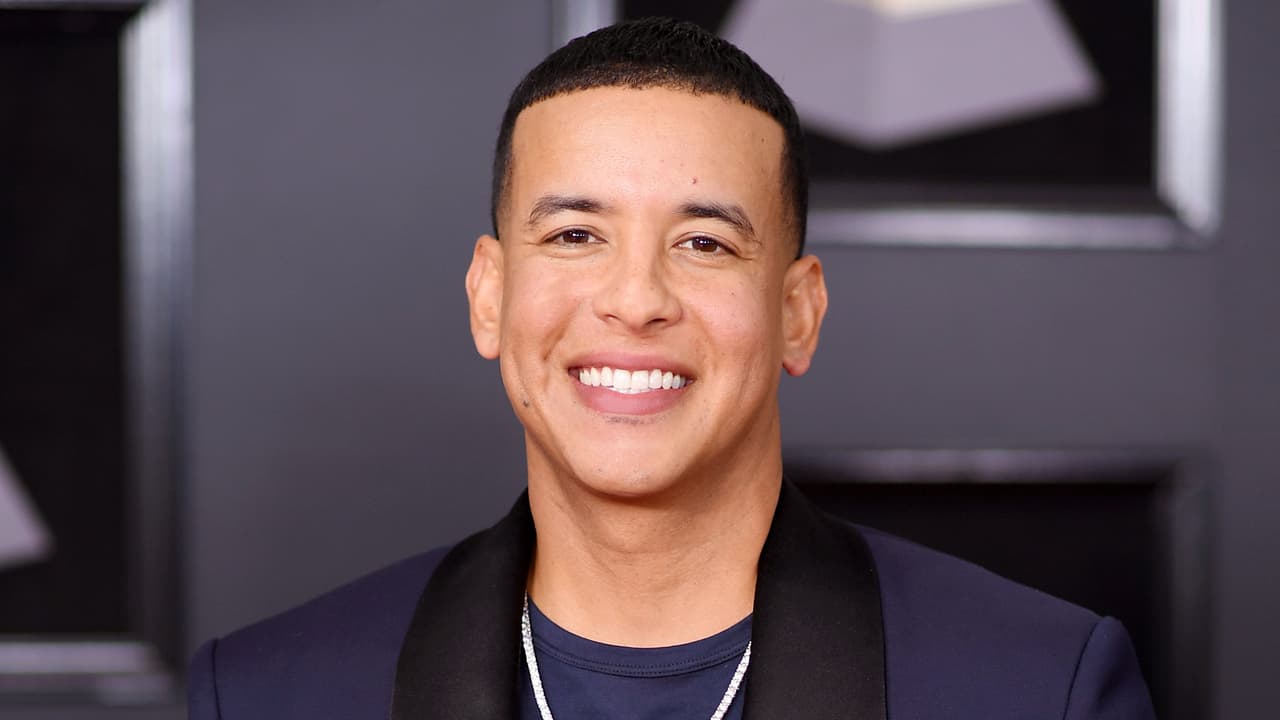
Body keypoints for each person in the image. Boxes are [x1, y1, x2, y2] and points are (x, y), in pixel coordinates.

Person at [187, 17, 1156, 720]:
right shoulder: (271, 694)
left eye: (703, 243)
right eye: (575, 235)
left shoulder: (1037, 688)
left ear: (796, 312)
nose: (635, 299)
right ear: (489, 295)